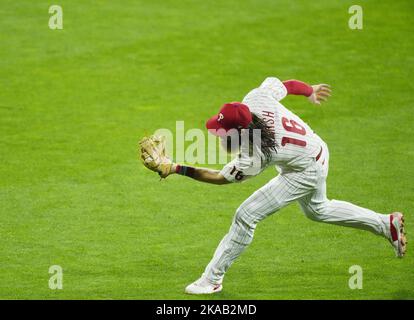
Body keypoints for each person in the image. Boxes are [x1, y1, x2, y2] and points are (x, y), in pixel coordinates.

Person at [139, 77, 407, 295]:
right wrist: (309, 90)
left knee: (246, 215)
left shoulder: (257, 154)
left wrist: (174, 168)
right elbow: (287, 85)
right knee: (318, 209)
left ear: (239, 133)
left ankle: (212, 279)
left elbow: (221, 178)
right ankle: (386, 224)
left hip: (306, 170)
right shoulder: (256, 99)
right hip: (317, 150)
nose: (216, 132)